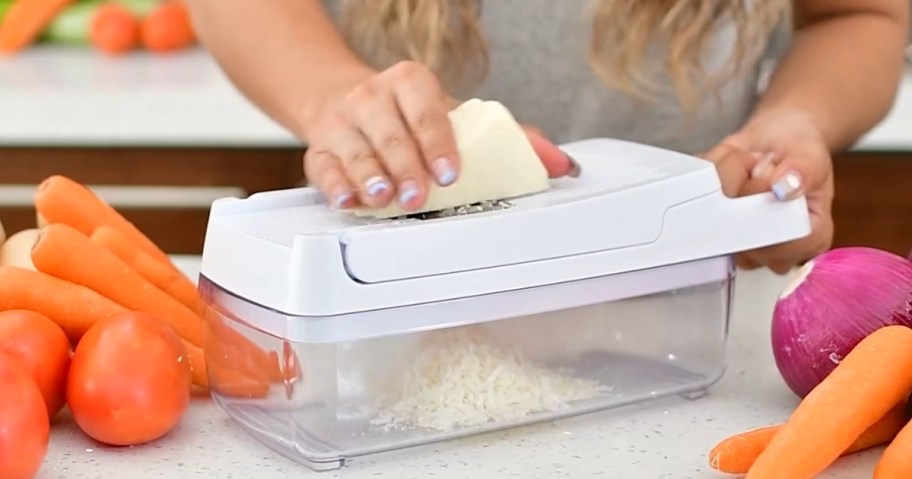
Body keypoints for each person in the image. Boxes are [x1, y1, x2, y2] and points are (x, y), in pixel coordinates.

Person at [185, 0, 909, 273]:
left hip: (673, 293)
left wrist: (795, 121)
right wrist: (334, 99)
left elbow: (859, 14)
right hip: (392, 293)